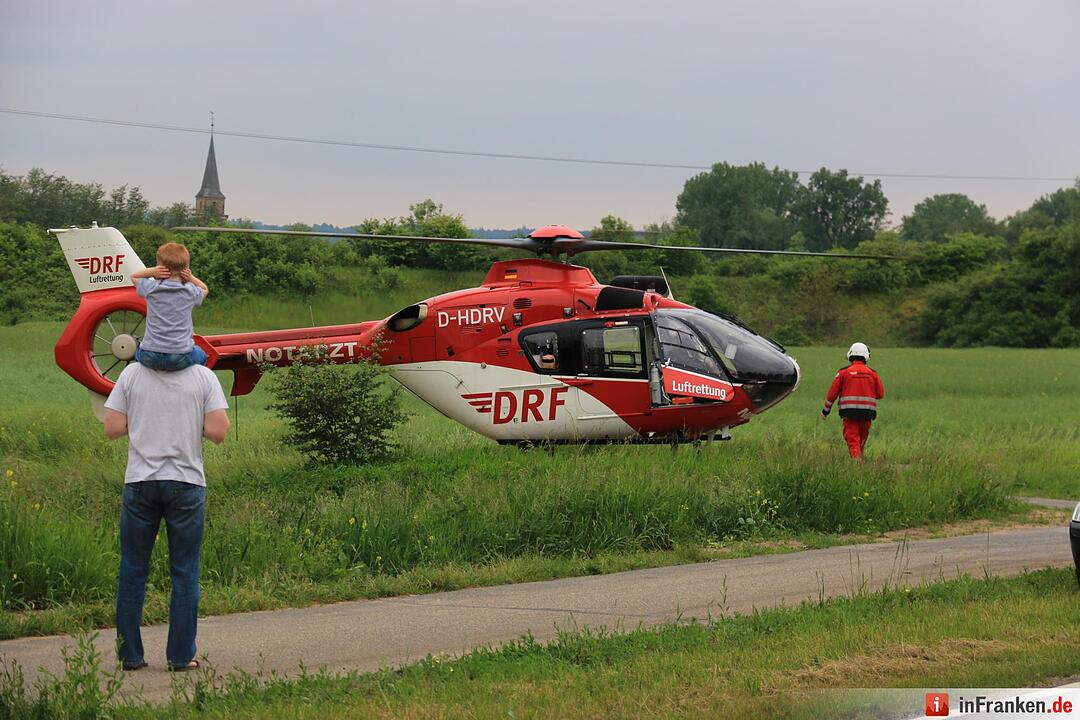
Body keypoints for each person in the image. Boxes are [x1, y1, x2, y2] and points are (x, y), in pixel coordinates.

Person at [103, 361, 230, 671]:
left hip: (140, 482)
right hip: (186, 483)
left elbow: (112, 428)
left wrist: (145, 421)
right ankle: (180, 656)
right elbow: (218, 432)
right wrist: (189, 422)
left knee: (133, 569)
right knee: (184, 571)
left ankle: (130, 656)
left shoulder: (132, 374)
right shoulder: (203, 377)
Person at [131, 242, 210, 371]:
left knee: (138, 350)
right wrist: (190, 278)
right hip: (179, 356)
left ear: (160, 266)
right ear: (186, 268)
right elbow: (205, 289)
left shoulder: (152, 288)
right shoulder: (189, 291)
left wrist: (153, 271)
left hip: (150, 355)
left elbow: (133, 276)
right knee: (201, 354)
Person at [820, 342, 884, 460]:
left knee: (852, 439)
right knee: (862, 439)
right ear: (866, 356)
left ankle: (856, 464)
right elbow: (880, 394)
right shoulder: (873, 374)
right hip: (867, 413)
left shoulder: (843, 372)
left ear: (850, 355)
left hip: (849, 412)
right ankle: (859, 460)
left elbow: (832, 394)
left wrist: (825, 411)